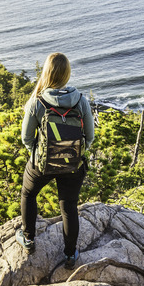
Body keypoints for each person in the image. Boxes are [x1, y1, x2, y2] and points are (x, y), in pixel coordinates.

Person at [16, 52, 95, 269]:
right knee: (69, 207)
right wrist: (73, 153)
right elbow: (90, 136)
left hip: (41, 165)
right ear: (67, 73)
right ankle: (70, 256)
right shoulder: (81, 101)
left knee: (28, 193)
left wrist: (40, 155)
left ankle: (28, 239)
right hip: (73, 165)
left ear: (47, 73)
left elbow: (26, 138)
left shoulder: (37, 102)